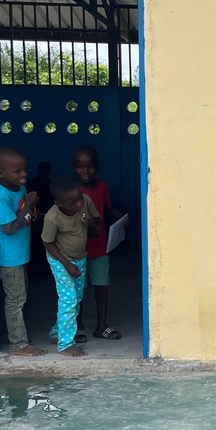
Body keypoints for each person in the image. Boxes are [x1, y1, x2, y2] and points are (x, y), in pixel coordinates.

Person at [0, 147, 44, 356]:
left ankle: (12, 333)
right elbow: (9, 228)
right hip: (9, 257)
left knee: (20, 296)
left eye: (25, 169)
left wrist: (32, 212)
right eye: (17, 171)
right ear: (1, 173)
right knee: (15, 300)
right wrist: (29, 207)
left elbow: (23, 214)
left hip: (20, 254)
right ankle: (18, 344)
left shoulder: (17, 186)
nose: (23, 175)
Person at [72, 146, 129, 340]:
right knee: (78, 289)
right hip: (77, 249)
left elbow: (107, 209)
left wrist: (121, 218)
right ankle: (78, 326)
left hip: (100, 247)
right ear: (74, 167)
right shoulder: (71, 192)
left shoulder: (102, 187)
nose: (85, 171)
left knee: (102, 286)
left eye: (90, 166)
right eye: (81, 167)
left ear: (98, 167)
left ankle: (101, 326)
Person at [42, 175, 100, 357]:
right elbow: (47, 242)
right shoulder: (52, 217)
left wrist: (90, 221)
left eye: (79, 198)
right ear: (59, 204)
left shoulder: (85, 202)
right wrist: (66, 264)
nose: (78, 204)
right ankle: (65, 344)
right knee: (69, 299)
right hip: (60, 259)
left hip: (80, 257)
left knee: (77, 296)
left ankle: (57, 331)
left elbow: (97, 223)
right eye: (72, 202)